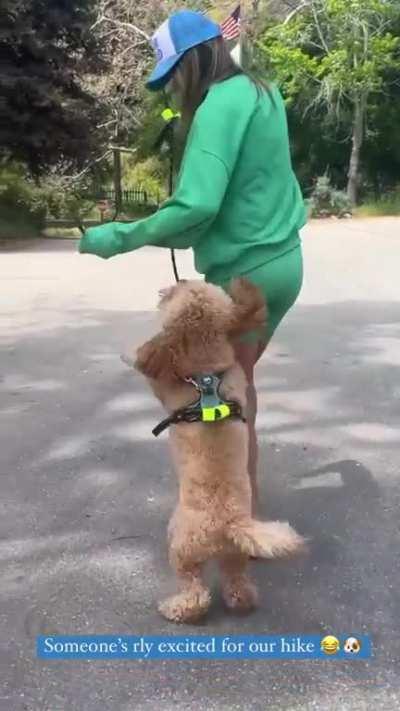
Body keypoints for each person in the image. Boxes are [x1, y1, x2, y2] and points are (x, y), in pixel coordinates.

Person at [79, 9, 306, 512]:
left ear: (194, 60)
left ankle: (237, 515)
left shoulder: (219, 105)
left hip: (246, 271)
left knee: (230, 397)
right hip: (284, 262)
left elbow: (198, 205)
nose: (173, 86)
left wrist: (120, 236)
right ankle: (242, 506)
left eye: (174, 73)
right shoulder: (262, 93)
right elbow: (235, 193)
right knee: (238, 384)